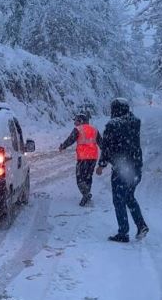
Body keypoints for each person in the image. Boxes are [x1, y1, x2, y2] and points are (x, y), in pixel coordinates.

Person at [96, 98, 149, 243]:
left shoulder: (113, 125)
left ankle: (123, 232)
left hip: (121, 169)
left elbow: (107, 147)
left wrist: (101, 164)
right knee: (129, 197)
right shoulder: (135, 123)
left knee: (119, 200)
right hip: (136, 168)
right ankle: (141, 225)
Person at [59, 112, 102, 206]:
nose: (75, 123)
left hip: (83, 157)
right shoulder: (94, 129)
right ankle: (86, 193)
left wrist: (63, 146)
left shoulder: (78, 129)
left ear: (81, 121)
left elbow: (70, 140)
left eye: (76, 121)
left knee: (80, 178)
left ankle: (85, 194)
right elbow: (101, 143)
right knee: (88, 177)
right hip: (93, 157)